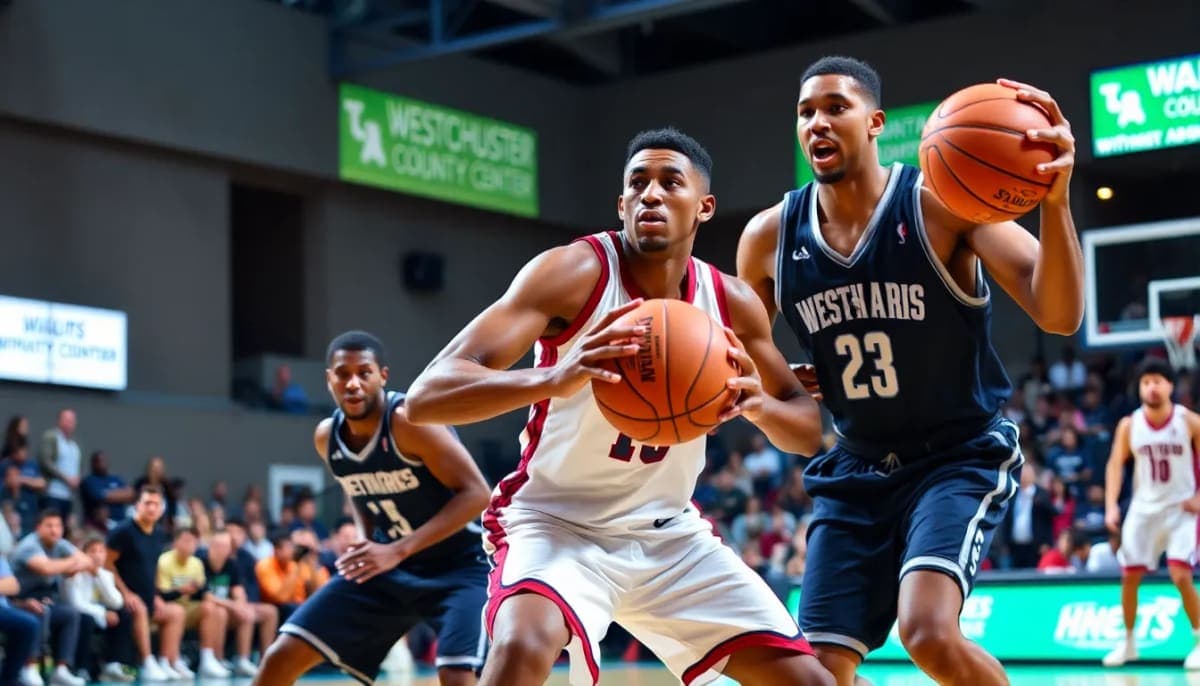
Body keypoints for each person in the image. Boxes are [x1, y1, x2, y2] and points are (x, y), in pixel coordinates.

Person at [406, 128, 830, 686]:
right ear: (621, 204)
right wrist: (554, 377)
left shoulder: (732, 303)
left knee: (811, 682)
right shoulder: (572, 274)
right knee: (519, 649)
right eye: (638, 183)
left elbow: (804, 431)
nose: (651, 194)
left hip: (667, 533)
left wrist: (759, 407)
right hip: (556, 523)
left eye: (670, 182)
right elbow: (425, 397)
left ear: (704, 207)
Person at [737, 56, 1082, 686]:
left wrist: (1055, 202)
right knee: (816, 672)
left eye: (836, 107)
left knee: (927, 632)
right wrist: (770, 380)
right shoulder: (767, 238)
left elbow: (1058, 313)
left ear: (875, 122)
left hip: (956, 455)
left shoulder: (941, 204)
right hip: (855, 465)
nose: (817, 122)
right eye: (805, 112)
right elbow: (735, 360)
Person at [253, 331, 492, 686]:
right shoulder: (327, 438)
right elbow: (361, 493)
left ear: (382, 376)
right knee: (281, 656)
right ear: (328, 379)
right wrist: (369, 541)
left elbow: (477, 494)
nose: (353, 383)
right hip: (391, 564)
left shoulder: (409, 422)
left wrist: (396, 549)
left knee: (455, 674)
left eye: (363, 373)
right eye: (342, 373)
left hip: (460, 567)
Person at [1102, 358, 1200, 669]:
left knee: (1180, 575)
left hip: (1180, 509)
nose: (1151, 387)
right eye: (1146, 382)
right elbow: (1115, 464)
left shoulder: (1189, 421)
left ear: (1170, 385)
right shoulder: (1129, 425)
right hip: (1143, 510)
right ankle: (1129, 644)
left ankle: (1199, 641)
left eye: (1157, 381)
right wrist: (1111, 504)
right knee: (1129, 578)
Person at [105, 485, 185, 681]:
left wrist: (157, 596)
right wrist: (125, 593)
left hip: (148, 595)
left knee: (176, 612)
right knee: (139, 608)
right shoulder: (123, 531)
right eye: (147, 503)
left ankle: (167, 661)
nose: (151, 508)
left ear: (162, 509)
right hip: (123, 599)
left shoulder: (158, 533)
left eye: (156, 504)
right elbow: (106, 564)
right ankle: (147, 662)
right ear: (137, 505)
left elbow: (153, 566)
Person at [201, 528, 277, 676]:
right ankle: (218, 658)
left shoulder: (231, 564)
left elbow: (238, 591)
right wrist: (233, 605)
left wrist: (241, 605)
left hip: (226, 607)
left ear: (230, 549)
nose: (220, 549)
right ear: (210, 545)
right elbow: (205, 596)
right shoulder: (201, 561)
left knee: (260, 611)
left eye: (225, 546)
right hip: (207, 609)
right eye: (217, 545)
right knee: (220, 612)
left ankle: (248, 660)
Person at [63, 536, 137, 682]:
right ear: (83, 555)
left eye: (101, 551)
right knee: (86, 620)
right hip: (81, 616)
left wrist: (98, 575)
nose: (97, 556)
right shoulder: (73, 574)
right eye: (92, 551)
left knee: (124, 614)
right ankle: (81, 667)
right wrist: (103, 614)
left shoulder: (106, 575)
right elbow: (76, 604)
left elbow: (117, 602)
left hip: (98, 614)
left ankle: (114, 664)